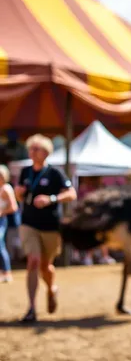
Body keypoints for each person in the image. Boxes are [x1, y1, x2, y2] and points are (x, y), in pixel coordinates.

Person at [15, 134, 77, 323]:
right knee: (33, 261)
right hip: (28, 223)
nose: (32, 152)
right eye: (30, 149)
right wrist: (19, 194)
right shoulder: (25, 172)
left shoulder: (55, 173)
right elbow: (19, 195)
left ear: (45, 152)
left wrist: (51, 199)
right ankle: (32, 308)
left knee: (45, 266)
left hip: (50, 226)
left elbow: (71, 194)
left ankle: (51, 289)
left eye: (36, 149)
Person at [0, 165, 18, 283]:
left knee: (0, 245)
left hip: (1, 220)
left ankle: (7, 272)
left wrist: (1, 212)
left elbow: (13, 207)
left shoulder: (6, 188)